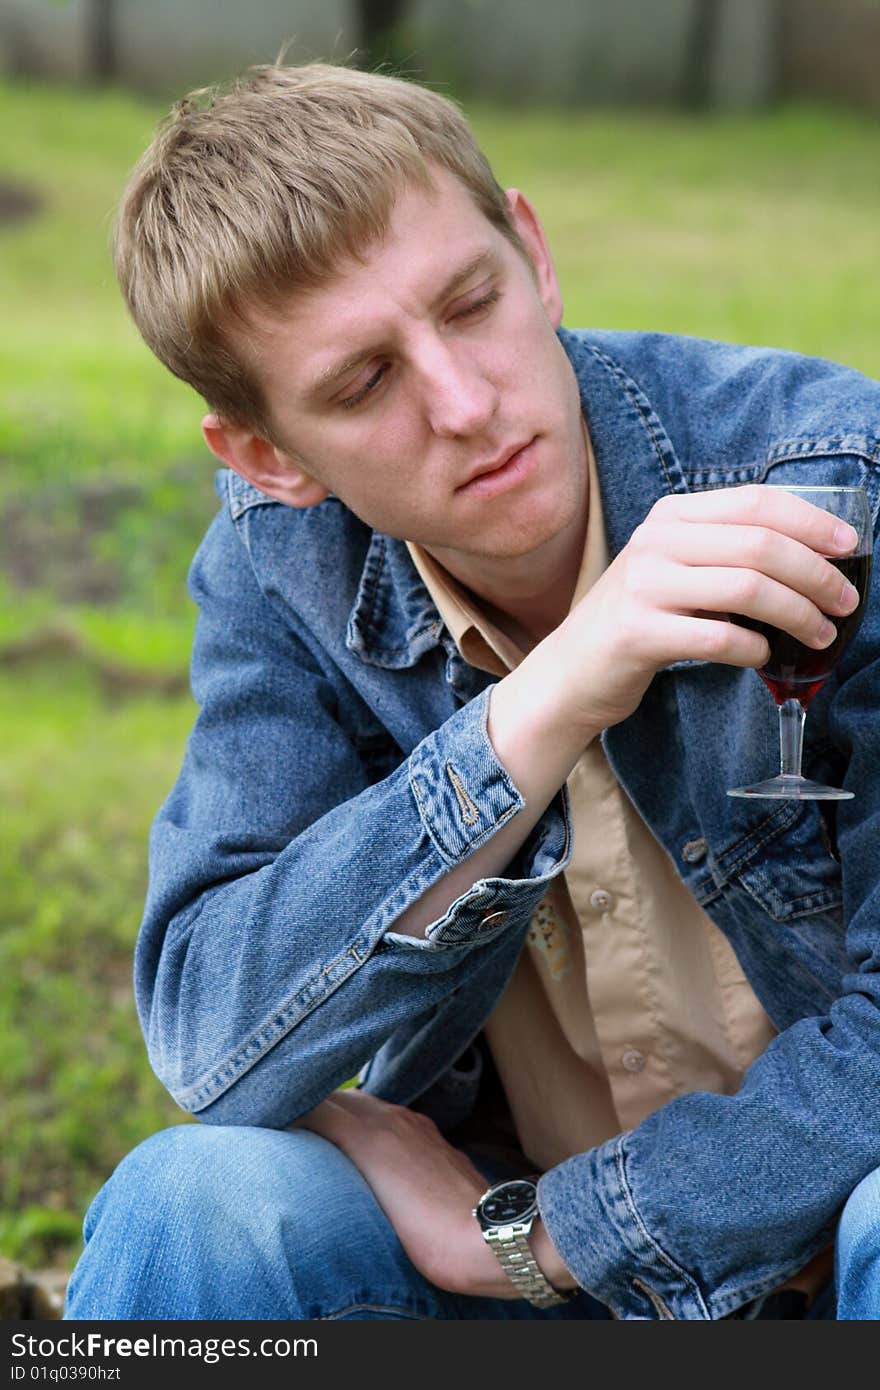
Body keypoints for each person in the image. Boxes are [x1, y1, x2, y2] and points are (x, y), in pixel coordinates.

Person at [64, 62, 880, 1322]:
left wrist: (535, 1236)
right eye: (362, 383)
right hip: (507, 1300)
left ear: (534, 255)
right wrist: (536, 710)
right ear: (269, 456)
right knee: (200, 1202)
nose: (464, 403)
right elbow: (212, 1035)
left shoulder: (834, 490)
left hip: (817, 1263)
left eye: (470, 303)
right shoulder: (283, 574)